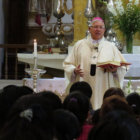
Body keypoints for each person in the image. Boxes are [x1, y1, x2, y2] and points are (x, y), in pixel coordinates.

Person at [63, 17, 127, 109]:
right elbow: (67, 64)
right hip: (84, 82)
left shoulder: (111, 47)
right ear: (89, 29)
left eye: (101, 27)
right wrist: (74, 70)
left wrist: (114, 70)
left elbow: (123, 67)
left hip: (103, 85)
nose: (98, 29)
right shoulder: (79, 45)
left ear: (104, 30)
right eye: (95, 27)